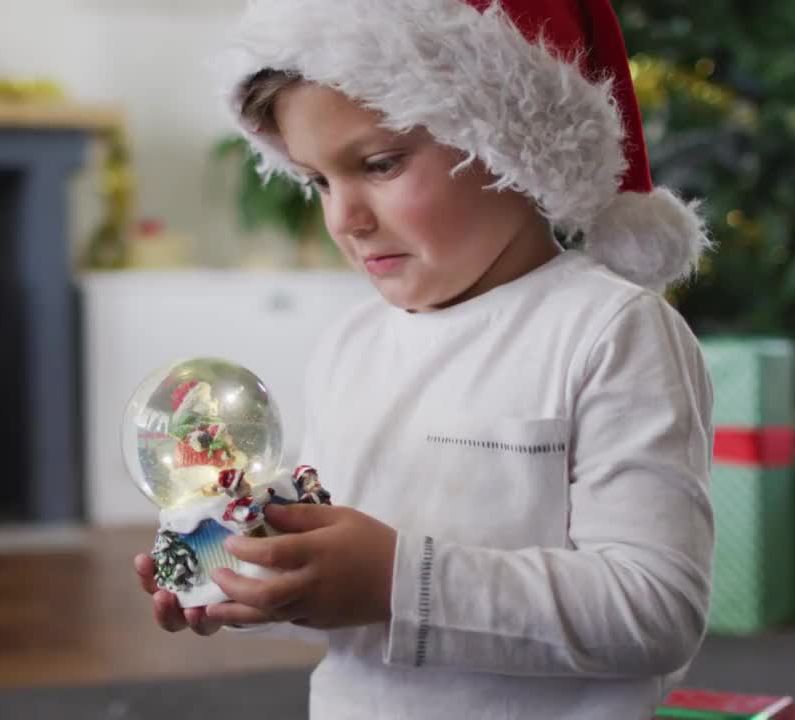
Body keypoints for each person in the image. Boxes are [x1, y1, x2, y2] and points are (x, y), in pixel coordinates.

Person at [133, 1, 716, 717]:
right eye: (318, 180)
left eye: (379, 164)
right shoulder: (350, 346)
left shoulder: (609, 332)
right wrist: (259, 575)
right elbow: (347, 590)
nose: (343, 218)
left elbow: (656, 611)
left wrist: (398, 582)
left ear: (510, 139)